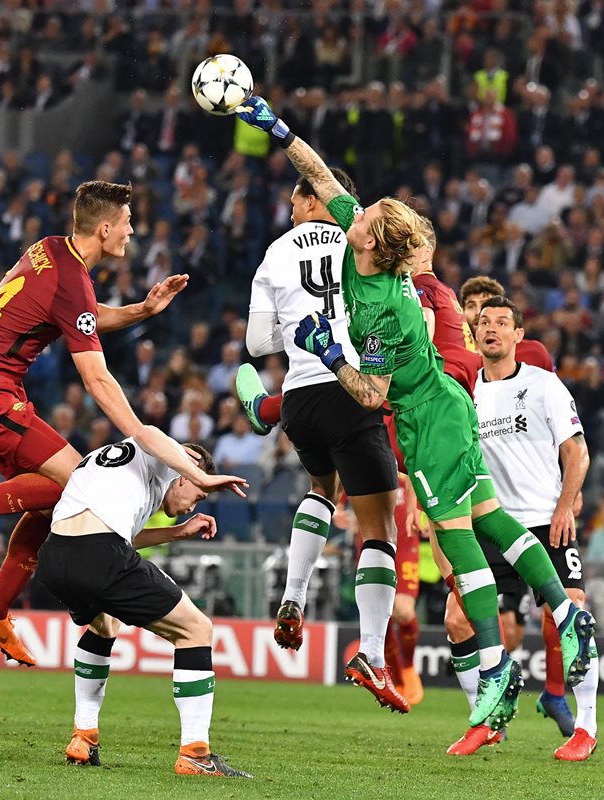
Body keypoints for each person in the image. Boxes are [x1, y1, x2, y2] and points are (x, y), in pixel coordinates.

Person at [234, 94, 594, 737]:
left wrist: (327, 352)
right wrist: (275, 125)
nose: (354, 210)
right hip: (447, 409)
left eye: (363, 213)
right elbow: (320, 177)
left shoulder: (380, 310)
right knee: (493, 519)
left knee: (457, 540)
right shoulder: (368, 247)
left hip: (429, 421)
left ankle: (494, 672)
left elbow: (370, 395)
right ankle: (568, 618)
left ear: (370, 239)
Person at [0, 181, 247, 666]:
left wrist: (142, 309)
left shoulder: (51, 251)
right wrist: (140, 431)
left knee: (51, 500)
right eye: (127, 223)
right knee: (79, 482)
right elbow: (96, 379)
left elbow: (81, 316)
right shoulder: (72, 278)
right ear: (104, 228)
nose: (132, 231)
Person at [234, 168, 406, 712]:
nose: (290, 200)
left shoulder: (276, 252)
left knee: (320, 488)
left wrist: (297, 325)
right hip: (350, 386)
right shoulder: (361, 242)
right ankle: (373, 654)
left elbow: (257, 342)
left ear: (315, 196)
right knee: (380, 524)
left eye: (296, 192)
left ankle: (291, 597)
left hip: (300, 395)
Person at [38, 441, 250, 778]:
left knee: (105, 624)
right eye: (198, 495)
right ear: (184, 473)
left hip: (54, 556)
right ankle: (196, 753)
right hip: (100, 554)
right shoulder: (161, 453)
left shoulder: (123, 465)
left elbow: (122, 535)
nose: (191, 506)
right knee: (196, 629)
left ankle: (84, 736)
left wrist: (177, 532)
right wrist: (199, 469)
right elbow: (155, 437)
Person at [455, 296, 598, 761]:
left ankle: (586, 728)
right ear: (473, 335)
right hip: (491, 524)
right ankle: (487, 719)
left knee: (571, 614)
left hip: (543, 521)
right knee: (457, 619)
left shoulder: (544, 384)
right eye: (483, 322)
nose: (491, 328)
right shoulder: (464, 394)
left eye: (502, 322)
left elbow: (577, 452)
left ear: (519, 335)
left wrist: (564, 506)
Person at [459, 275, 555, 370]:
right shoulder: (456, 358)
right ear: (461, 311)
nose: (478, 312)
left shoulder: (534, 353)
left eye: (485, 305)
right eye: (471, 306)